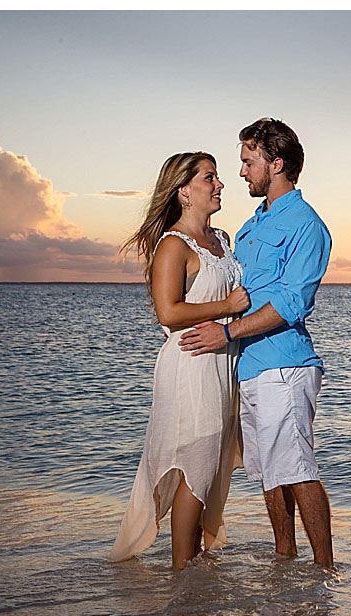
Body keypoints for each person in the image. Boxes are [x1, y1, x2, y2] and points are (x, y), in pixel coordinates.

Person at [179, 118, 334, 568]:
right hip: (249, 368)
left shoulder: (306, 224)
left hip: (285, 366)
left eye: (248, 162)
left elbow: (291, 302)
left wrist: (226, 332)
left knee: (298, 469)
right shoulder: (250, 226)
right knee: (270, 472)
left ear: (277, 163)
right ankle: (285, 559)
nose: (242, 172)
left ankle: (326, 572)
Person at [109, 152, 249, 570]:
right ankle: (181, 570)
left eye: (218, 177)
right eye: (210, 178)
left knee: (213, 460)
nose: (220, 184)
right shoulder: (173, 245)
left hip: (222, 362)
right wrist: (226, 305)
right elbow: (167, 313)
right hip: (190, 366)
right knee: (195, 462)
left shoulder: (222, 239)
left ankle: (197, 567)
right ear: (184, 190)